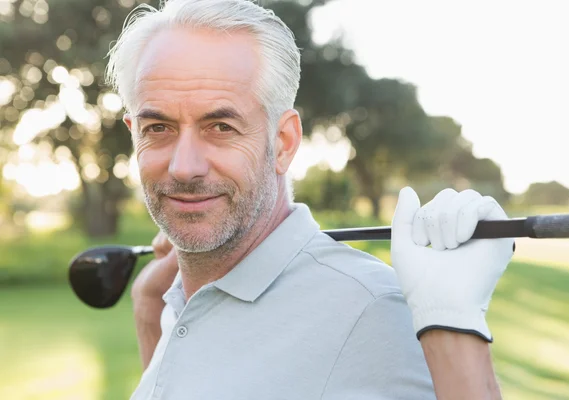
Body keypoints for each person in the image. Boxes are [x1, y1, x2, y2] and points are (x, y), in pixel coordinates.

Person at [105, 0, 514, 398]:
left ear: (283, 142)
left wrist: (453, 322)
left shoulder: (372, 313)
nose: (183, 167)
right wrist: (149, 309)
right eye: (158, 128)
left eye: (221, 127)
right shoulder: (173, 299)